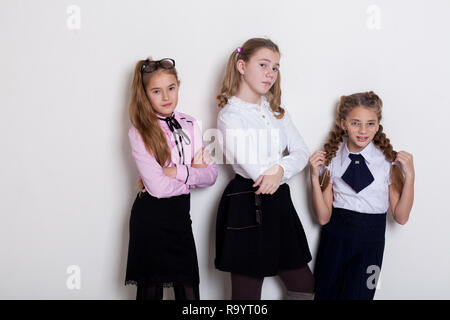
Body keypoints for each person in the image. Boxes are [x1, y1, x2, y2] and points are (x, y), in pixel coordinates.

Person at [215, 38, 315, 300]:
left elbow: (301, 152)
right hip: (247, 203)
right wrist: (276, 172)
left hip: (280, 202)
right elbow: (257, 171)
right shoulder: (230, 115)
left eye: (275, 68)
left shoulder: (276, 110)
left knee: (303, 285)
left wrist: (281, 170)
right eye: (263, 65)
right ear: (241, 65)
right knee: (246, 295)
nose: (270, 73)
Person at [124, 57, 218, 300]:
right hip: (150, 220)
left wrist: (177, 171)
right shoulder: (140, 131)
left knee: (189, 291)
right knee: (150, 290)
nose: (166, 97)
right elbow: (157, 188)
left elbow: (211, 175)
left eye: (171, 88)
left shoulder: (190, 124)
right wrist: (192, 174)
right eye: (156, 91)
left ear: (178, 85)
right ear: (145, 94)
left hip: (179, 219)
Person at [309, 91, 415, 300]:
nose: (363, 130)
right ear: (343, 124)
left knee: (363, 295)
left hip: (371, 245)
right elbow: (323, 218)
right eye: (355, 123)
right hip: (335, 241)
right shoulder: (331, 160)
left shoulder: (388, 163)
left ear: (378, 125)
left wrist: (410, 175)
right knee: (325, 294)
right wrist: (314, 178)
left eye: (370, 123)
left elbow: (401, 217)